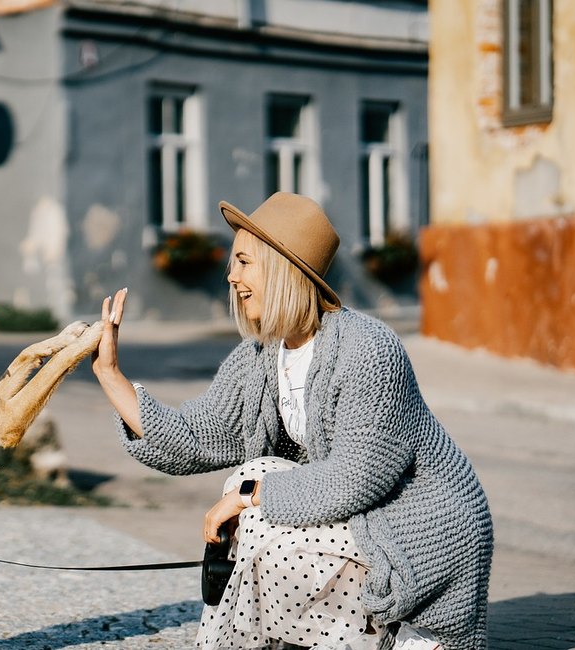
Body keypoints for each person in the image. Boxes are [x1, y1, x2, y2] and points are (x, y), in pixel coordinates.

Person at [90, 193, 492, 650]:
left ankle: (397, 630)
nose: (231, 275)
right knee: (252, 480)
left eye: (243, 261)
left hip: (417, 530)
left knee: (254, 503)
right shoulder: (261, 356)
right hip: (359, 520)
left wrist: (248, 500)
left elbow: (355, 478)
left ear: (283, 267)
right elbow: (196, 437)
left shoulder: (369, 348)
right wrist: (109, 373)